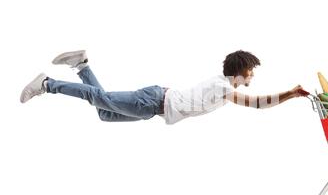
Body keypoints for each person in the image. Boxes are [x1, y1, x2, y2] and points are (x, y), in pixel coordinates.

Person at [20, 50, 308, 124]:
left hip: (153, 108)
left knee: (104, 112)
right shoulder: (224, 87)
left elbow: (254, 102)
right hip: (152, 101)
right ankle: (47, 84)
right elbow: (257, 104)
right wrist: (290, 94)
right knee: (101, 98)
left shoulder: (223, 89)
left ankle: (82, 65)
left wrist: (289, 94)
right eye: (251, 70)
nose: (252, 75)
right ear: (240, 70)